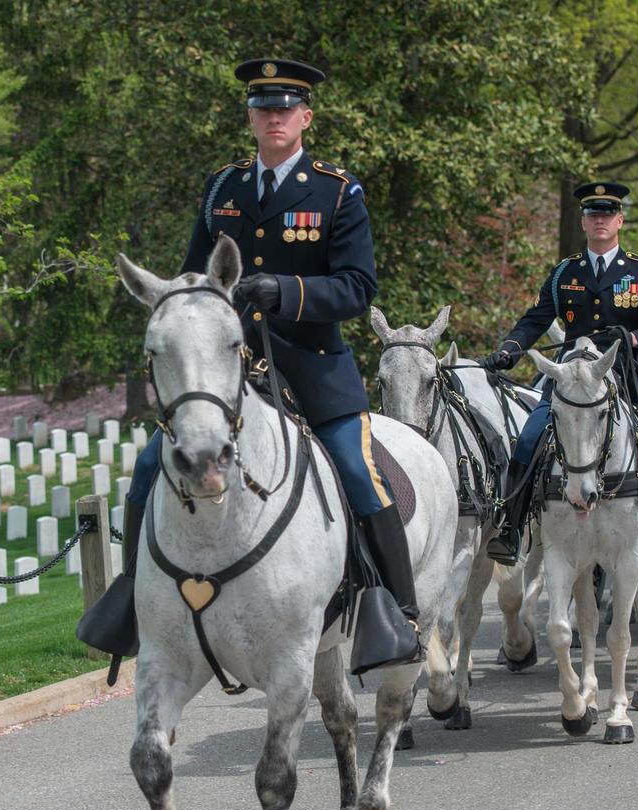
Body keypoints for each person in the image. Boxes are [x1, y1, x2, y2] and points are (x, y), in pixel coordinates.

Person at [121, 58, 420, 670]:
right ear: (250, 119)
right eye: (262, 108)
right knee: (152, 464)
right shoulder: (223, 188)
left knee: (360, 475)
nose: (273, 117)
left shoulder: (338, 191)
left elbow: (359, 288)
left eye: (285, 108)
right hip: (229, 377)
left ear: (305, 117)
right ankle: (131, 603)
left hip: (312, 369)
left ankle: (396, 615)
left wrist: (285, 292)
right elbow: (194, 273)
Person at [481, 181, 638, 565]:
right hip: (574, 378)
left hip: (628, 373)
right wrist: (510, 350)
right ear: (584, 222)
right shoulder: (565, 273)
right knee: (527, 439)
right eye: (594, 215)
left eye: (607, 214)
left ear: (620, 221)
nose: (600, 221)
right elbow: (535, 320)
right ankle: (511, 526)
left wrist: (631, 338)